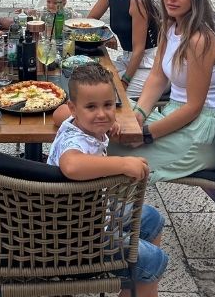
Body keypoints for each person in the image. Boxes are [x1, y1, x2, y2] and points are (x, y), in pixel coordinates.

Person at [48, 63, 168, 297]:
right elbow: (71, 164)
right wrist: (123, 163)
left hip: (90, 212)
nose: (101, 113)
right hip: (77, 237)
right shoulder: (76, 144)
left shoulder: (74, 121)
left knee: (152, 219)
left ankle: (132, 276)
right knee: (155, 261)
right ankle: (141, 272)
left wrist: (100, 121)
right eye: (91, 107)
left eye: (108, 105)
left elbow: (57, 113)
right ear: (74, 108)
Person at [109, 0, 215, 183]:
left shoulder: (200, 39)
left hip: (198, 132)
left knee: (110, 149)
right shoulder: (171, 27)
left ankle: (116, 213)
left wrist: (146, 134)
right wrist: (139, 115)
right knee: (103, 116)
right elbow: (157, 76)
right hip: (172, 115)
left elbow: (193, 107)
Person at [88, 0, 160, 98]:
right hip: (128, 58)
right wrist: (106, 35)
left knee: (111, 93)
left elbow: (139, 50)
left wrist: (125, 81)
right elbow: (91, 20)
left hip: (149, 64)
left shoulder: (137, 0)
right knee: (91, 79)